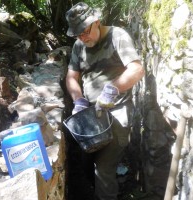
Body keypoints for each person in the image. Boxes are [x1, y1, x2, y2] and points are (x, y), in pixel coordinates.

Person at [65, 2, 145, 200]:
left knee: (104, 169)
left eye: (85, 32)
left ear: (97, 22)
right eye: (78, 35)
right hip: (90, 114)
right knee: (86, 161)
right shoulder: (79, 46)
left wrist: (112, 90)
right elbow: (71, 77)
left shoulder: (117, 36)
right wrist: (79, 100)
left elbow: (137, 69)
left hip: (117, 111)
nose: (83, 38)